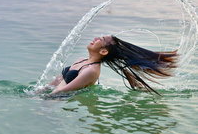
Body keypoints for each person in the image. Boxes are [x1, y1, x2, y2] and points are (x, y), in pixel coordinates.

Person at [39, 35, 179, 95]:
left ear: (104, 51)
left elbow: (63, 91)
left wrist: (45, 103)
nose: (95, 38)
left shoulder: (92, 71)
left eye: (101, 39)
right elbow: (58, 81)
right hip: (50, 96)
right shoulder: (81, 60)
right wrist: (36, 93)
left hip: (56, 102)